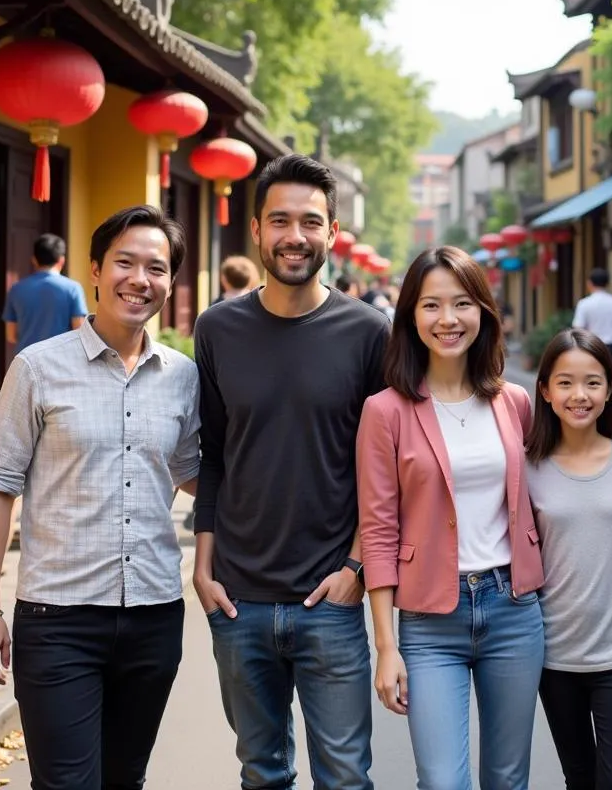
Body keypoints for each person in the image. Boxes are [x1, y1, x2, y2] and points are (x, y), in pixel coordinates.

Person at [0, 205, 201, 790]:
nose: (139, 279)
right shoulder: (38, 369)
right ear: (93, 271)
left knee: (125, 779)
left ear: (170, 283)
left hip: (153, 615)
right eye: (125, 262)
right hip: (58, 618)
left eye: (156, 268)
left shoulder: (182, 376)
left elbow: (194, 473)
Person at [193, 153, 389, 790]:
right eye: (280, 220)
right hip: (238, 602)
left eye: (310, 221)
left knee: (345, 778)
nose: (294, 236)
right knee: (262, 772)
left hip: (329, 601)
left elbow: (381, 469)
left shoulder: (367, 333)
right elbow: (215, 454)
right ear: (256, 231)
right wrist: (203, 565)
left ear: (332, 232)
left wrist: (356, 568)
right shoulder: (217, 328)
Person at [357, 245, 545, 790]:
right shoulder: (385, 411)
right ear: (410, 316)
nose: (448, 320)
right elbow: (378, 528)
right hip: (429, 620)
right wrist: (385, 647)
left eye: (462, 304)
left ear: (483, 312)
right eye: (432, 305)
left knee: (508, 779)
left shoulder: (514, 402)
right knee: (442, 781)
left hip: (513, 609)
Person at [526, 328, 612, 790]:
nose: (580, 395)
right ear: (545, 391)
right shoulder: (525, 466)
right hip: (554, 658)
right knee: (579, 778)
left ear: (610, 389)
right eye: (566, 382)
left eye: (593, 382)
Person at [3, 232, 88, 352]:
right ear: (61, 260)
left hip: (27, 361)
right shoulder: (73, 288)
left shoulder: (16, 289)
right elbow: (79, 331)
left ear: (34, 260)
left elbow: (11, 336)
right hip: (61, 361)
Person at [572, 267, 612, 412]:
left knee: (593, 380)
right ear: (607, 283)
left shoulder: (584, 304)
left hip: (592, 348)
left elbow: (578, 330)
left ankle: (597, 408)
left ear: (589, 283)